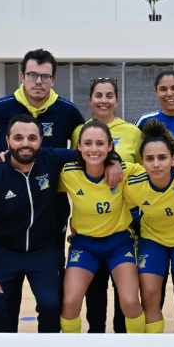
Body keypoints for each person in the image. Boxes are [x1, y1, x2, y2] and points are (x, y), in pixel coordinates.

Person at [0, 115, 88, 333]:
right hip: (3, 250)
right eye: (18, 138)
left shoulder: (53, 159)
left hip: (43, 250)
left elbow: (91, 153)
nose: (25, 143)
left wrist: (113, 162)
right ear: (7, 141)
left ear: (41, 140)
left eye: (32, 138)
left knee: (52, 305)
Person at [57, 120, 145, 334]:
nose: (94, 149)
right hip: (84, 244)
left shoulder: (125, 170)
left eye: (100, 143)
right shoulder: (68, 173)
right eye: (87, 143)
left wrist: (116, 161)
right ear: (78, 146)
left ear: (110, 146)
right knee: (70, 303)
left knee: (131, 302)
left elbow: (157, 169)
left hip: (119, 243)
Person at [71, 77, 142, 334]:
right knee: (95, 287)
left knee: (125, 291)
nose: (104, 100)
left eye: (109, 95)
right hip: (90, 225)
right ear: (90, 100)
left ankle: (124, 337)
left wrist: (114, 160)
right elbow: (77, 167)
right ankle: (96, 334)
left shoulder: (133, 132)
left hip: (126, 222)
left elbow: (142, 168)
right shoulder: (79, 131)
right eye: (98, 95)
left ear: (117, 100)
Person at [123, 119, 174, 333]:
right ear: (141, 161)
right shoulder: (134, 183)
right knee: (149, 295)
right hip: (153, 240)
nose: (156, 164)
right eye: (149, 159)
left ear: (173, 159)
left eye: (162, 158)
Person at [0, 48, 85, 161]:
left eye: (45, 76)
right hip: (10, 175)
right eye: (32, 75)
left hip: (53, 175)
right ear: (22, 77)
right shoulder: (1, 107)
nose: (38, 81)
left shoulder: (68, 111)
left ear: (53, 80)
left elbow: (84, 141)